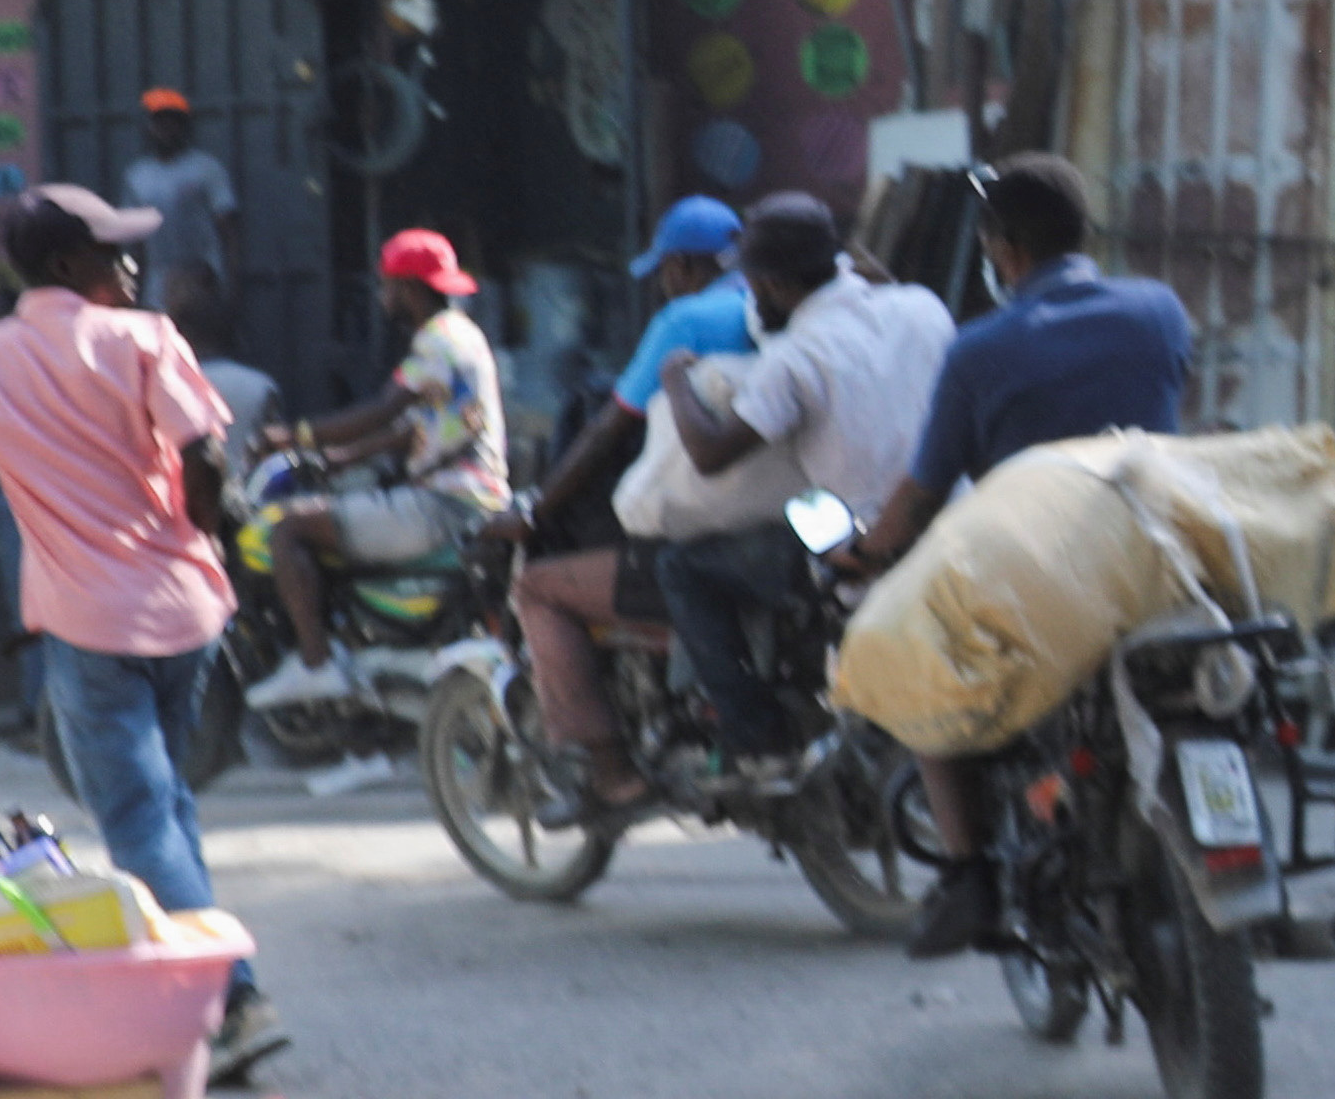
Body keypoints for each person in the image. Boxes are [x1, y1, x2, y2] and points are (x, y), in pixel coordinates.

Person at [0, 184, 283, 1074]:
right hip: (186, 610)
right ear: (68, 266)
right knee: (166, 802)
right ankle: (210, 981)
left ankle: (234, 998)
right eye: (116, 253)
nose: (134, 267)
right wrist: (203, 519)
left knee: (139, 816)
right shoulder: (146, 341)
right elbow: (206, 459)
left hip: (91, 623)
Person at [833, 155, 1193, 958]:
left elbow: (921, 494)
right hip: (1160, 563)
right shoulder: (1160, 311)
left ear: (1001, 248)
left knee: (926, 674)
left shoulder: (981, 349)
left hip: (1041, 582)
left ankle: (969, 878)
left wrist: (864, 551)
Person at [647, 194, 952, 763]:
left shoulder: (794, 357)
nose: (750, 296)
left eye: (754, 283)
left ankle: (753, 735)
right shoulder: (921, 307)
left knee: (681, 567)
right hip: (950, 520)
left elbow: (710, 454)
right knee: (802, 503)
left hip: (857, 540)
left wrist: (676, 380)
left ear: (772, 284)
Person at [508, 196, 754, 809]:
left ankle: (612, 770)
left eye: (666, 272)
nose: (665, 287)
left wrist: (536, 509)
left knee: (538, 586)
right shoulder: (777, 307)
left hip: (701, 531)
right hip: (777, 520)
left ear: (683, 268)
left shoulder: (687, 321)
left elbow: (608, 430)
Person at [252, 229, 511, 708]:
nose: (381, 295)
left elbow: (382, 410)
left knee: (288, 530)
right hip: (467, 500)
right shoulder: (462, 335)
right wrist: (335, 460)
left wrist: (295, 435)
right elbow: (408, 429)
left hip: (443, 504)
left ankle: (316, 665)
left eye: (387, 285)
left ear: (409, 289)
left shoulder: (436, 341)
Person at [119, 88, 240, 347]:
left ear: (184, 128)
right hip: (156, 284)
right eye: (160, 123)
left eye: (173, 123)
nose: (166, 129)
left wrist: (230, 285)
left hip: (200, 278)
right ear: (149, 128)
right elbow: (135, 243)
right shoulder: (137, 176)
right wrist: (131, 293)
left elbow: (228, 230)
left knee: (198, 349)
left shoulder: (205, 169)